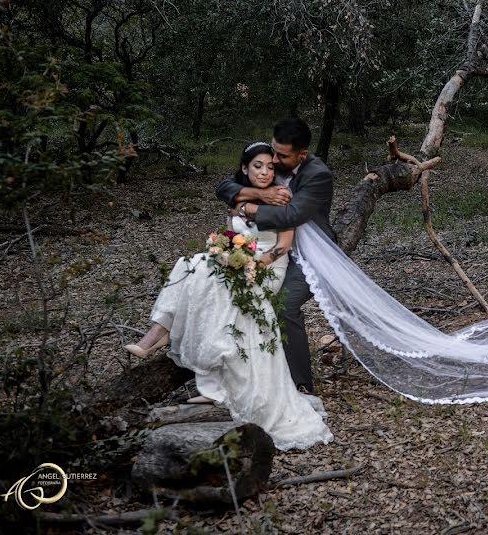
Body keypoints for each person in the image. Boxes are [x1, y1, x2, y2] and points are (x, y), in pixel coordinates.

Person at [123, 142, 333, 451]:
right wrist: (223, 250)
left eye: (270, 167)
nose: (264, 172)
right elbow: (232, 235)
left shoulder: (281, 198)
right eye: (257, 166)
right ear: (245, 168)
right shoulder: (238, 198)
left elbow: (283, 245)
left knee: (204, 273)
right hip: (242, 263)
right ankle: (163, 332)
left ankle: (164, 333)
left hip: (268, 267)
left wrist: (252, 265)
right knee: (193, 264)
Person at [215, 117, 334, 394]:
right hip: (271, 249)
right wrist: (258, 193)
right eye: (273, 150)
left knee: (284, 306)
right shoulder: (270, 162)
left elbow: (292, 214)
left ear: (301, 154)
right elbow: (224, 187)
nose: (274, 161)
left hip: (310, 254)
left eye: (282, 155)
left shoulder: (318, 175)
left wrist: (248, 210)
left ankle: (301, 384)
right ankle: (248, 377)